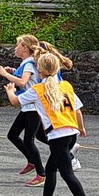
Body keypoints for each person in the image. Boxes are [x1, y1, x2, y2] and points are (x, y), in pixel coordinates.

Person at [6, 52, 97, 196]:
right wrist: (81, 127)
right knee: (50, 170)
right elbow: (77, 109)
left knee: (67, 173)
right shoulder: (66, 86)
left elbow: (15, 102)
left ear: (39, 70)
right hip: (71, 133)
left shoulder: (38, 90)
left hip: (58, 135)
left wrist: (10, 90)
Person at [0, 34, 46, 185]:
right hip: (27, 107)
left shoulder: (30, 64)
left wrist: (5, 74)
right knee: (13, 135)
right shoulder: (27, 63)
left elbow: (23, 82)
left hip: (33, 106)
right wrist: (13, 71)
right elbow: (25, 77)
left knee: (29, 140)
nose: (15, 48)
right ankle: (32, 160)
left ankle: (41, 174)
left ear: (24, 48)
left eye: (17, 45)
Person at [36, 41, 80, 169]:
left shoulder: (45, 64)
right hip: (52, 97)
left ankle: (69, 155)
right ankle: (67, 151)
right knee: (51, 169)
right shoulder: (51, 62)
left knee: (43, 134)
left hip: (52, 97)